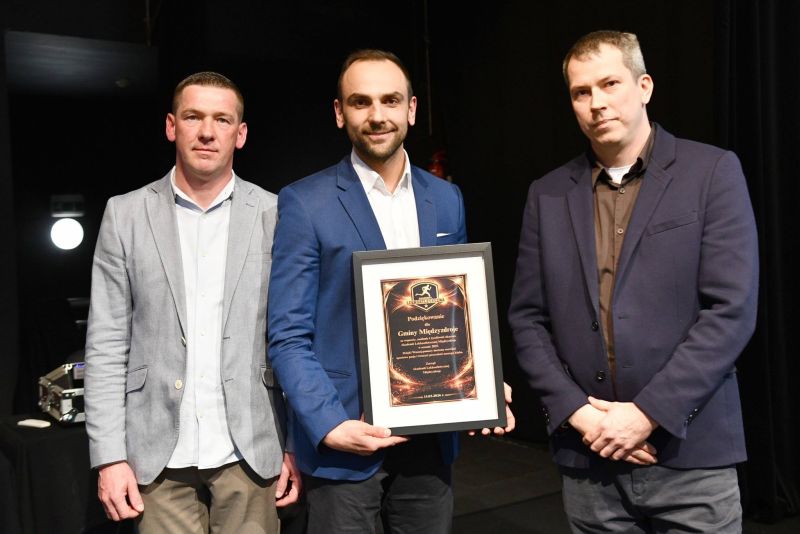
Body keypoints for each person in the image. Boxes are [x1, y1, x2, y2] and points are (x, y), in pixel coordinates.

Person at [509, 31, 758, 533]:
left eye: (610, 84)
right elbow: (528, 320)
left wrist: (647, 413)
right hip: (589, 458)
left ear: (644, 86)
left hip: (690, 455)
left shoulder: (711, 171)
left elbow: (731, 310)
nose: (596, 102)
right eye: (581, 92)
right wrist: (579, 414)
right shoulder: (548, 193)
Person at [267, 49, 514, 533]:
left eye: (391, 100)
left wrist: (481, 381)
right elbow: (288, 335)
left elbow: (458, 314)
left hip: (430, 439)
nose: (377, 115)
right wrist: (328, 424)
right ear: (339, 113)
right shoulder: (305, 202)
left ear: (412, 109)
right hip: (346, 437)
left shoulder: (445, 198)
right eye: (361, 102)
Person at [84, 71, 300, 533]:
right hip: (155, 453)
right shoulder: (125, 214)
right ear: (171, 126)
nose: (206, 131)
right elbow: (106, 343)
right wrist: (109, 457)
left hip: (252, 446)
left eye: (222, 119)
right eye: (193, 117)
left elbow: (294, 337)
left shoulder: (277, 213)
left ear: (240, 134)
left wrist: (295, 445)